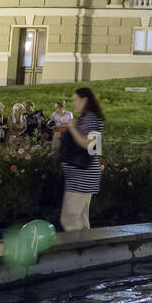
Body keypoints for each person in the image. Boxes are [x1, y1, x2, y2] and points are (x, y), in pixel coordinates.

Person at [56, 87, 104, 231]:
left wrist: (71, 128)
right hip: (83, 175)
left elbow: (89, 145)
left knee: (69, 219)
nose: (74, 103)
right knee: (80, 219)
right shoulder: (89, 118)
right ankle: (85, 249)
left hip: (82, 176)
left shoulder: (90, 119)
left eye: (76, 100)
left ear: (85, 100)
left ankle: (77, 250)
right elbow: (96, 148)